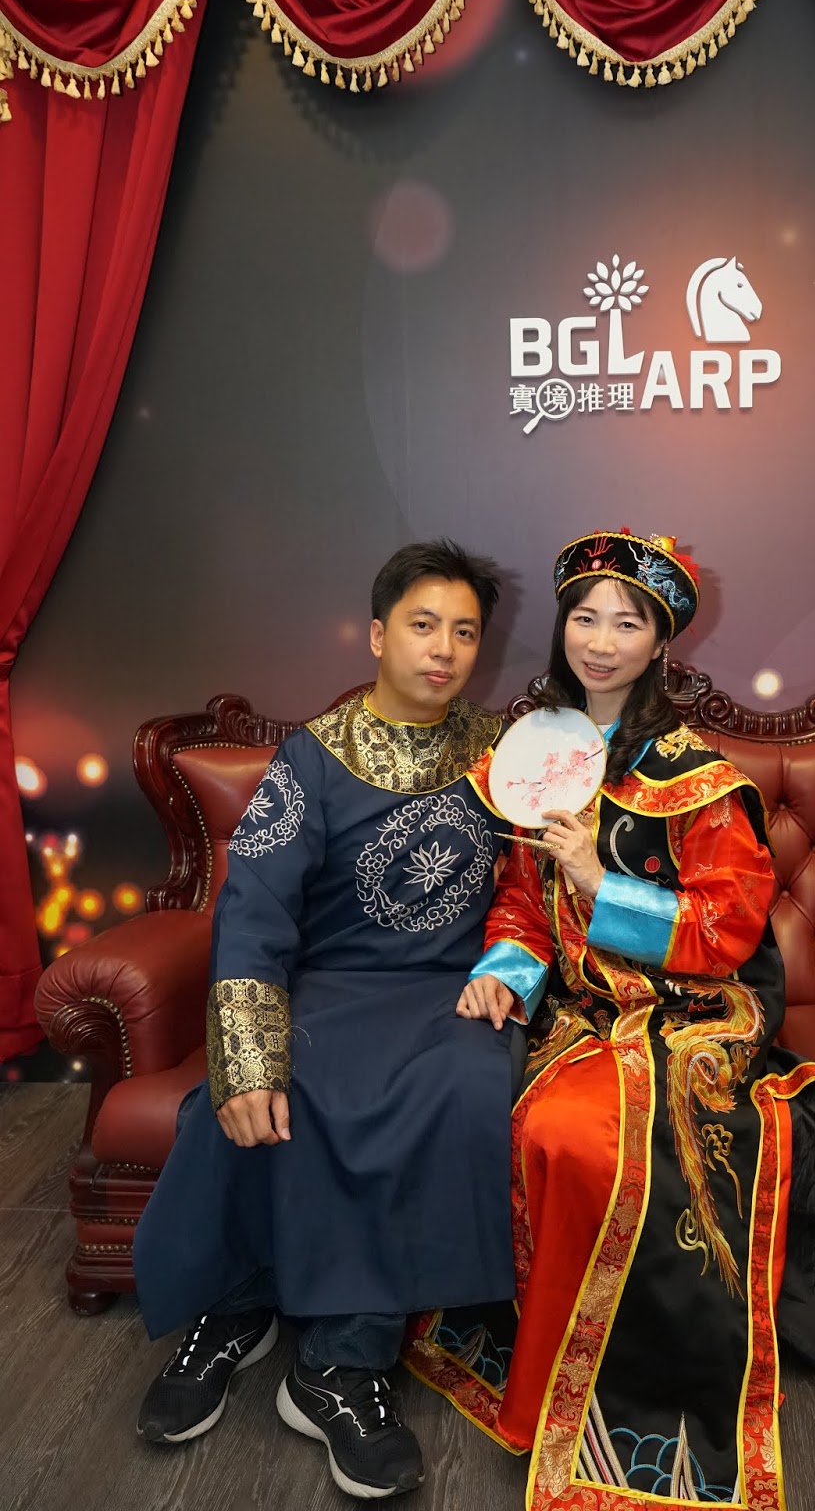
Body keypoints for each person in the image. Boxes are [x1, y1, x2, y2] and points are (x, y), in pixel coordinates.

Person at [409, 527, 815, 1511]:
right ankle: (535, 1371)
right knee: (488, 1104)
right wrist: (504, 974)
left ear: (662, 643)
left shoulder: (697, 778)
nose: (601, 640)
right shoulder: (534, 756)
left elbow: (728, 927)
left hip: (693, 1007)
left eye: (628, 623)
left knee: (578, 1135)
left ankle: (616, 1400)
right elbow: (521, 902)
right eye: (585, 617)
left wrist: (600, 879)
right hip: (582, 1005)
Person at [134, 538, 523, 1501]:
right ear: (378, 633)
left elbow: (538, 890)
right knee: (273, 1090)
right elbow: (254, 912)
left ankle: (339, 1364)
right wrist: (247, 1058)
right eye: (423, 625)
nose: (443, 649)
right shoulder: (312, 756)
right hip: (331, 988)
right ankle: (237, 1304)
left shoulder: (506, 756)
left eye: (464, 632)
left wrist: (510, 972)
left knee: (468, 1088)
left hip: (454, 994)